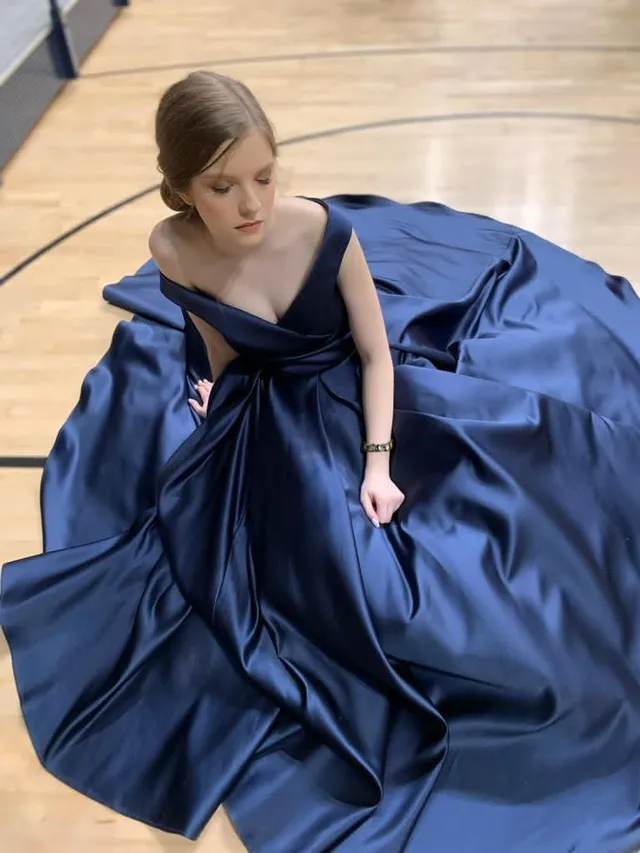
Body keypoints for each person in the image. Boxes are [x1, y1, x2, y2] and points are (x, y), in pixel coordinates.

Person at [2, 70, 640, 853]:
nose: (252, 204)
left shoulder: (324, 232)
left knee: (446, 564)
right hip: (262, 414)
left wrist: (378, 462)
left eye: (264, 177)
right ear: (181, 189)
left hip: (353, 406)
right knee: (240, 565)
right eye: (223, 187)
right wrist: (213, 392)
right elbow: (214, 338)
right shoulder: (171, 246)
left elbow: (375, 354)